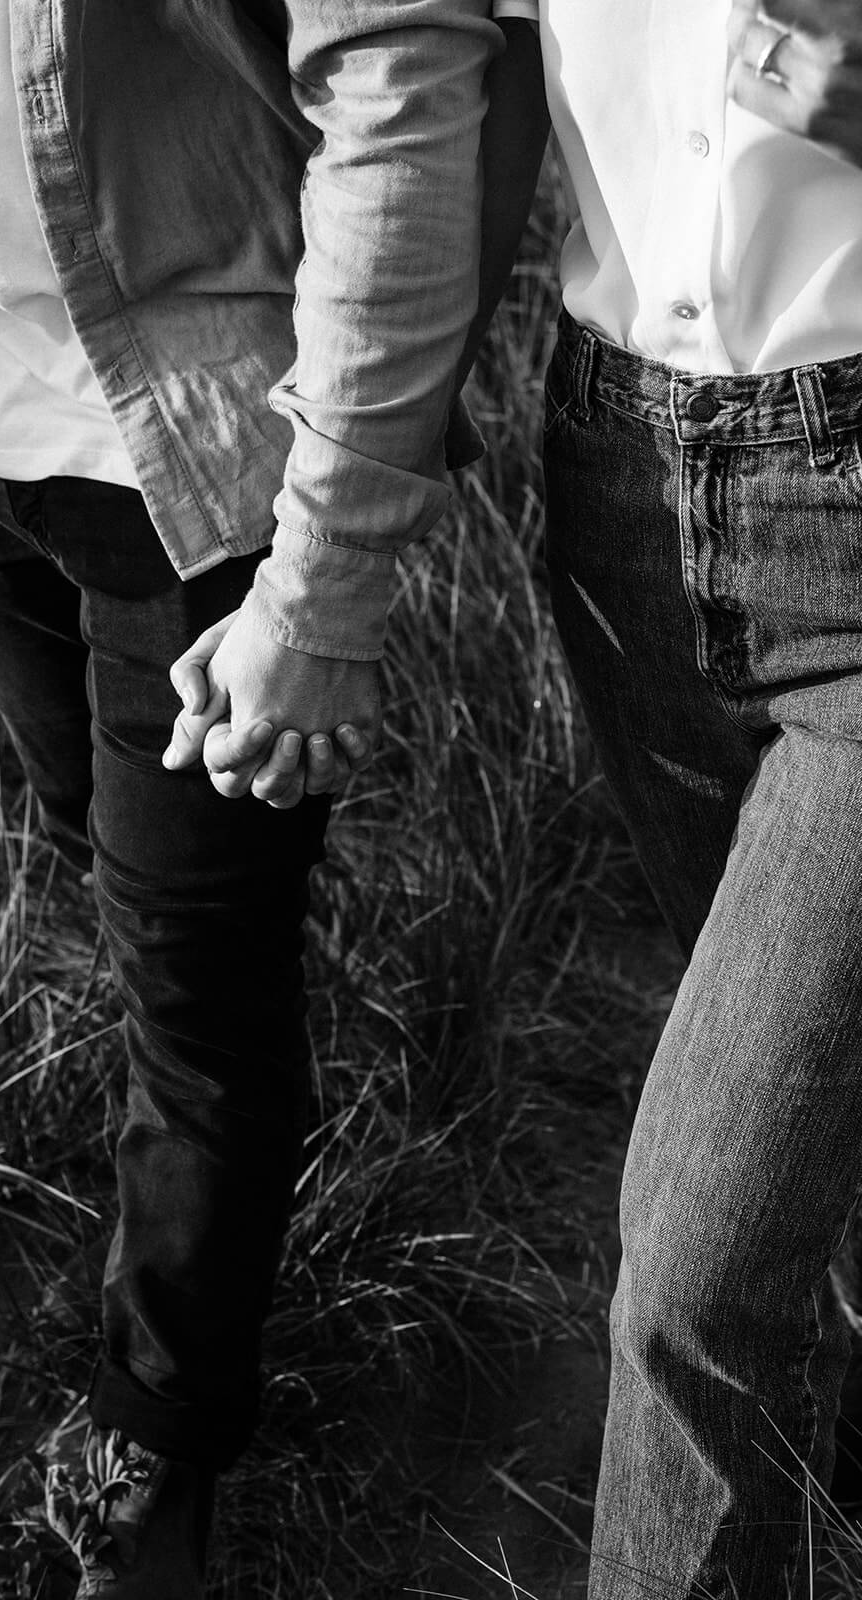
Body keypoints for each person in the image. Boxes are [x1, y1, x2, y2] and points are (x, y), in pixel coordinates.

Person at [0, 3, 547, 1597]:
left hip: (193, 449)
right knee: (130, 892)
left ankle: (162, 1430)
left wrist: (325, 584)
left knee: (199, 989)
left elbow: (408, 82)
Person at [441, 1, 862, 1595]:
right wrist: (390, 407)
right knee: (803, 1087)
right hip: (617, 479)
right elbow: (479, 68)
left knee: (694, 1265)